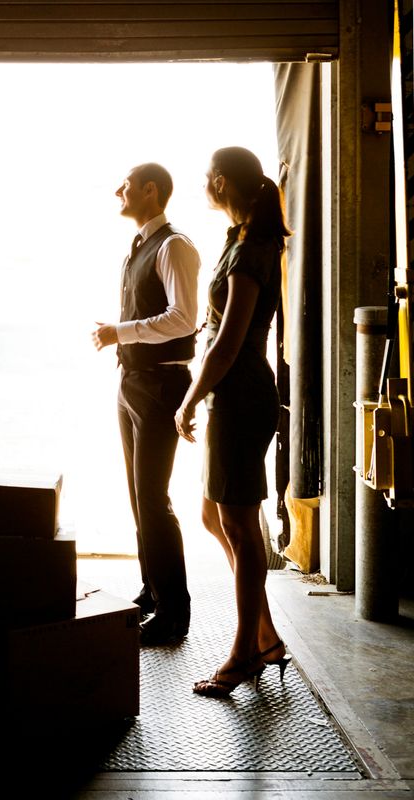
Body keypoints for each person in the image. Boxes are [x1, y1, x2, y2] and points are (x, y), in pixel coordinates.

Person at [174, 146, 292, 697]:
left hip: (241, 396)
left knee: (241, 529)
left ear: (220, 182)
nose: (203, 184)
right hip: (232, 395)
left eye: (206, 178)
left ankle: (245, 653)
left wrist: (189, 398)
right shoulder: (238, 240)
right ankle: (264, 636)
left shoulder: (252, 250)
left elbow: (229, 342)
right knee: (214, 517)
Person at [92, 162, 201, 646]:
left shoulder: (175, 246)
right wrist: (121, 340)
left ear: (151, 190)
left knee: (154, 499)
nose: (119, 190)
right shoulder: (139, 246)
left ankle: (174, 613)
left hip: (161, 384)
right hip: (133, 381)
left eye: (127, 185)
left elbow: (183, 319)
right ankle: (152, 592)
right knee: (141, 498)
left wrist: (121, 332)